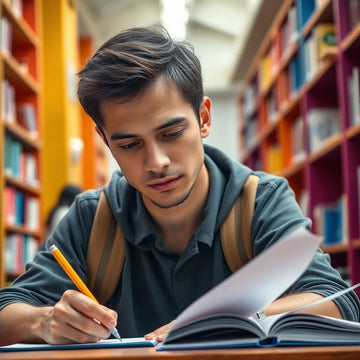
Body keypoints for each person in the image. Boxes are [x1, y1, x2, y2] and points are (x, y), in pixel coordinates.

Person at [0, 25, 359, 346]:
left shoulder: (261, 200)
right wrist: (45, 321)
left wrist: (219, 322)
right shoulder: (92, 216)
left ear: (203, 118)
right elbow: (7, 312)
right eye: (129, 145)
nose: (156, 162)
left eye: (171, 134)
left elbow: (337, 300)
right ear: (105, 142)